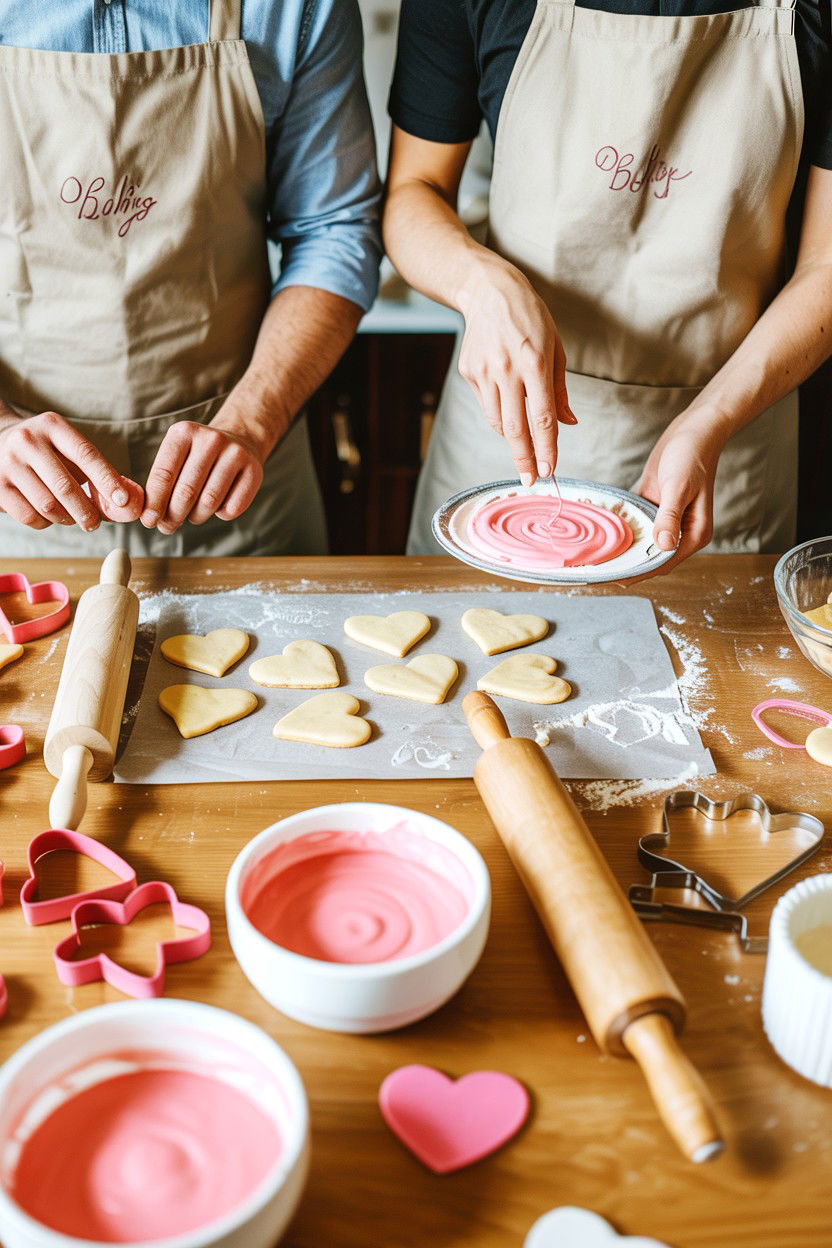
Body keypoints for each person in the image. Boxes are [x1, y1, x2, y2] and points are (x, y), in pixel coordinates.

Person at [384, 0, 832, 571]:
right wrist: (481, 285)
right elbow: (413, 189)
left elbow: (826, 265)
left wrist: (712, 420)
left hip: (726, 436)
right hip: (504, 430)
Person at [0, 0, 381, 557]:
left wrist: (252, 422)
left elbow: (336, 229)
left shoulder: (295, 8)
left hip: (243, 479)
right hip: (19, 502)